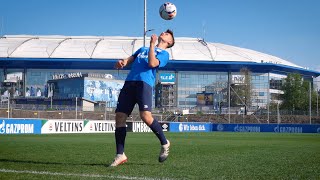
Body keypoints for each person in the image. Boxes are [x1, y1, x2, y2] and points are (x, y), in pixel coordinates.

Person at [110, 29, 175, 167]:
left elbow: (152, 64)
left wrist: (152, 45)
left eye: (167, 34)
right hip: (129, 83)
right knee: (120, 117)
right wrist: (122, 62)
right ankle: (120, 154)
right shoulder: (142, 49)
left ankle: (164, 143)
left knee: (145, 116)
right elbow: (129, 60)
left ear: (169, 42)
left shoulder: (164, 54)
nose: (163, 33)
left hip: (144, 84)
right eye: (164, 32)